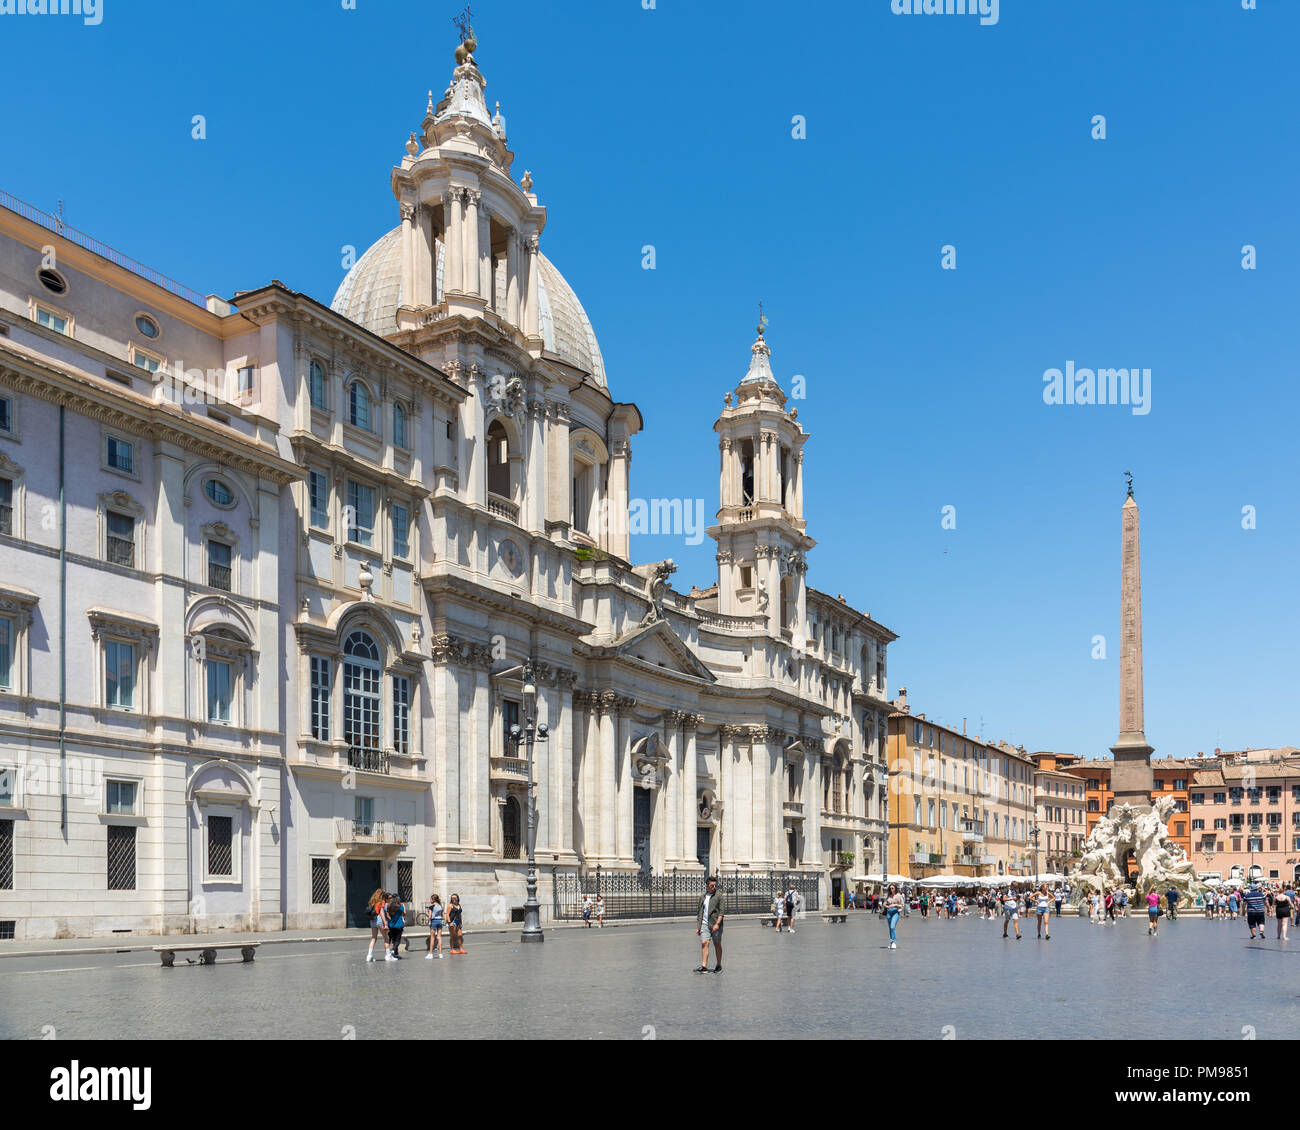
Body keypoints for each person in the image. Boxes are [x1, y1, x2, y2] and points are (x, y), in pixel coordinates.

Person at [695, 875, 725, 973]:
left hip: (716, 924)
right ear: (707, 886)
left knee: (717, 944)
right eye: (712, 886)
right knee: (704, 943)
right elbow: (700, 912)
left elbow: (721, 911)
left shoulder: (719, 896)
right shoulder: (702, 897)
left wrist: (717, 924)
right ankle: (704, 966)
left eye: (715, 886)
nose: (714, 887)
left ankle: (719, 964)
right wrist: (698, 927)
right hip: (704, 923)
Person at [365, 888, 389, 963]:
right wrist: (385, 923)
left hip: (372, 920)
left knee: (374, 938)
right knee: (386, 937)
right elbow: (381, 912)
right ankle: (388, 955)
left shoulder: (372, 901)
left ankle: (369, 955)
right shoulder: (381, 901)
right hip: (378, 919)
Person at [883, 883, 904, 949]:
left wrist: (895, 905)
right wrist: (887, 906)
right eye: (890, 888)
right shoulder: (888, 896)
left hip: (895, 912)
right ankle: (891, 943)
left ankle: (893, 942)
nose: (891, 889)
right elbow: (884, 904)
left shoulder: (898, 895)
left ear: (895, 889)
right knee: (890, 928)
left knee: (892, 927)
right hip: (889, 912)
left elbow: (902, 905)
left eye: (892, 888)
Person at [386, 892, 405, 959]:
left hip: (391, 924)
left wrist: (391, 919)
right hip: (399, 924)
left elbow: (387, 914)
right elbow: (404, 914)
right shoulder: (400, 906)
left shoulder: (389, 906)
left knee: (393, 939)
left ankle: (396, 954)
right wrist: (404, 907)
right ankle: (393, 950)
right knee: (397, 940)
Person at [425, 894, 445, 958]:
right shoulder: (440, 906)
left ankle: (430, 953)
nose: (430, 900)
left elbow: (430, 916)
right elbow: (443, 916)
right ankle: (440, 954)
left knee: (432, 938)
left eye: (430, 899)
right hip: (440, 921)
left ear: (433, 899)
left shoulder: (431, 907)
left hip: (434, 921)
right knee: (439, 937)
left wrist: (428, 921)